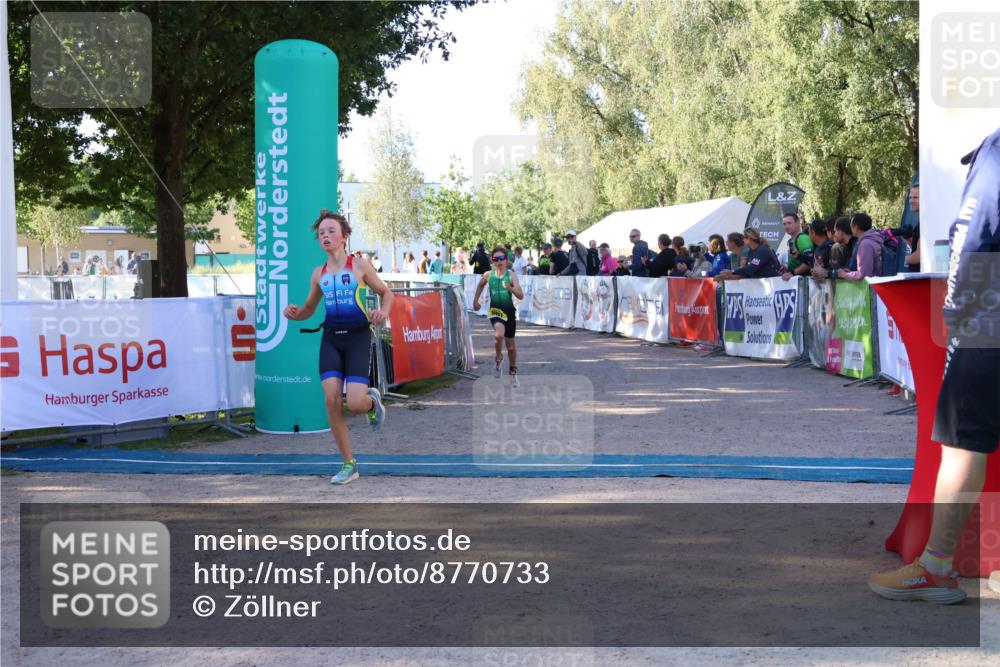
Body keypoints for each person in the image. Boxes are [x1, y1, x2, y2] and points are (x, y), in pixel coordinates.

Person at [869, 127, 1000, 604]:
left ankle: (936, 567)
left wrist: (958, 307)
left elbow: (975, 228)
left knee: (961, 442)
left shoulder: (996, 149)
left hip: (991, 305)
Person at [283, 210, 393, 485]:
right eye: (321, 233)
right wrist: (295, 314)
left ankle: (371, 402)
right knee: (331, 399)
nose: (326, 236)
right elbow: (309, 309)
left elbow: (386, 293)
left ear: (344, 237)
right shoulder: (317, 274)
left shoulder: (359, 266)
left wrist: (382, 313)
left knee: (354, 404)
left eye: (331, 231)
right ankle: (349, 464)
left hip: (357, 338)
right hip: (331, 339)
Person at [472, 247, 525, 388]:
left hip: (509, 312)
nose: (499, 261)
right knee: (498, 334)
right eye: (496, 259)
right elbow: (480, 285)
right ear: (492, 260)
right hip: (495, 311)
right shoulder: (489, 274)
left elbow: (521, 295)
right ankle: (498, 358)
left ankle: (513, 373)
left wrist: (510, 288)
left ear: (506, 260)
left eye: (501, 258)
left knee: (511, 348)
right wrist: (475, 301)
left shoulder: (512, 275)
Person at [716, 228, 781, 280]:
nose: (742, 240)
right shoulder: (751, 251)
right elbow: (746, 271)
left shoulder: (762, 250)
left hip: (772, 286)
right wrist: (727, 276)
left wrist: (732, 272)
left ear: (749, 238)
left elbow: (751, 268)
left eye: (743, 238)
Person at [837, 213, 883, 280]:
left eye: (851, 226)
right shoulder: (874, 239)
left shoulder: (865, 244)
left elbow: (864, 274)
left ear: (856, 227)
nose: (850, 229)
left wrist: (845, 275)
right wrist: (851, 273)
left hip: (871, 287)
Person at [905, 182, 921, 272]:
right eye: (910, 197)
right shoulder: (921, 221)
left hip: (922, 280)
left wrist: (907, 259)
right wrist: (906, 239)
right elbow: (916, 248)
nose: (911, 201)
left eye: (915, 197)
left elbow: (918, 256)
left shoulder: (926, 222)